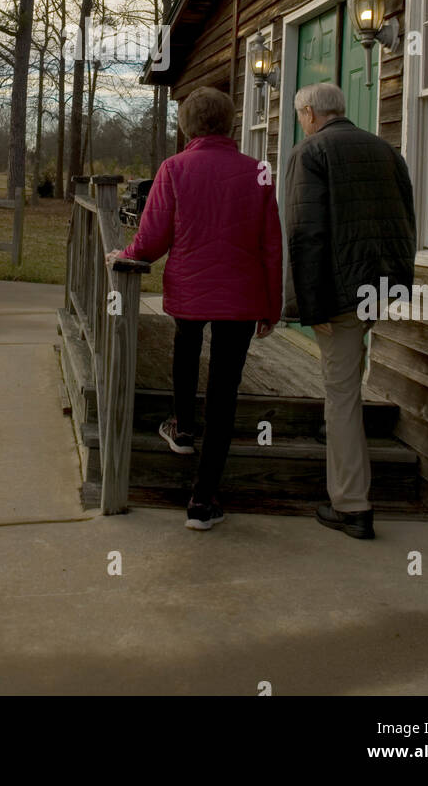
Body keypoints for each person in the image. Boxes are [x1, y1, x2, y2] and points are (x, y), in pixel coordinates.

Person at [107, 86, 282, 531]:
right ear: (229, 124)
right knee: (225, 392)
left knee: (186, 346)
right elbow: (270, 246)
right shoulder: (259, 172)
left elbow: (153, 237)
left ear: (186, 126)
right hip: (242, 297)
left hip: (191, 287)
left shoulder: (174, 168)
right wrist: (271, 304)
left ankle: (183, 428)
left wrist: (125, 254)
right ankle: (202, 502)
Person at [284, 82, 416, 540]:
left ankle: (352, 505)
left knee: (341, 394)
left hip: (338, 292)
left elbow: (306, 234)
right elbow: (405, 221)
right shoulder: (386, 150)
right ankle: (336, 442)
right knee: (346, 383)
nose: (300, 121)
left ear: (309, 113)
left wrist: (308, 302)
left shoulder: (310, 152)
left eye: (300, 114)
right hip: (377, 286)